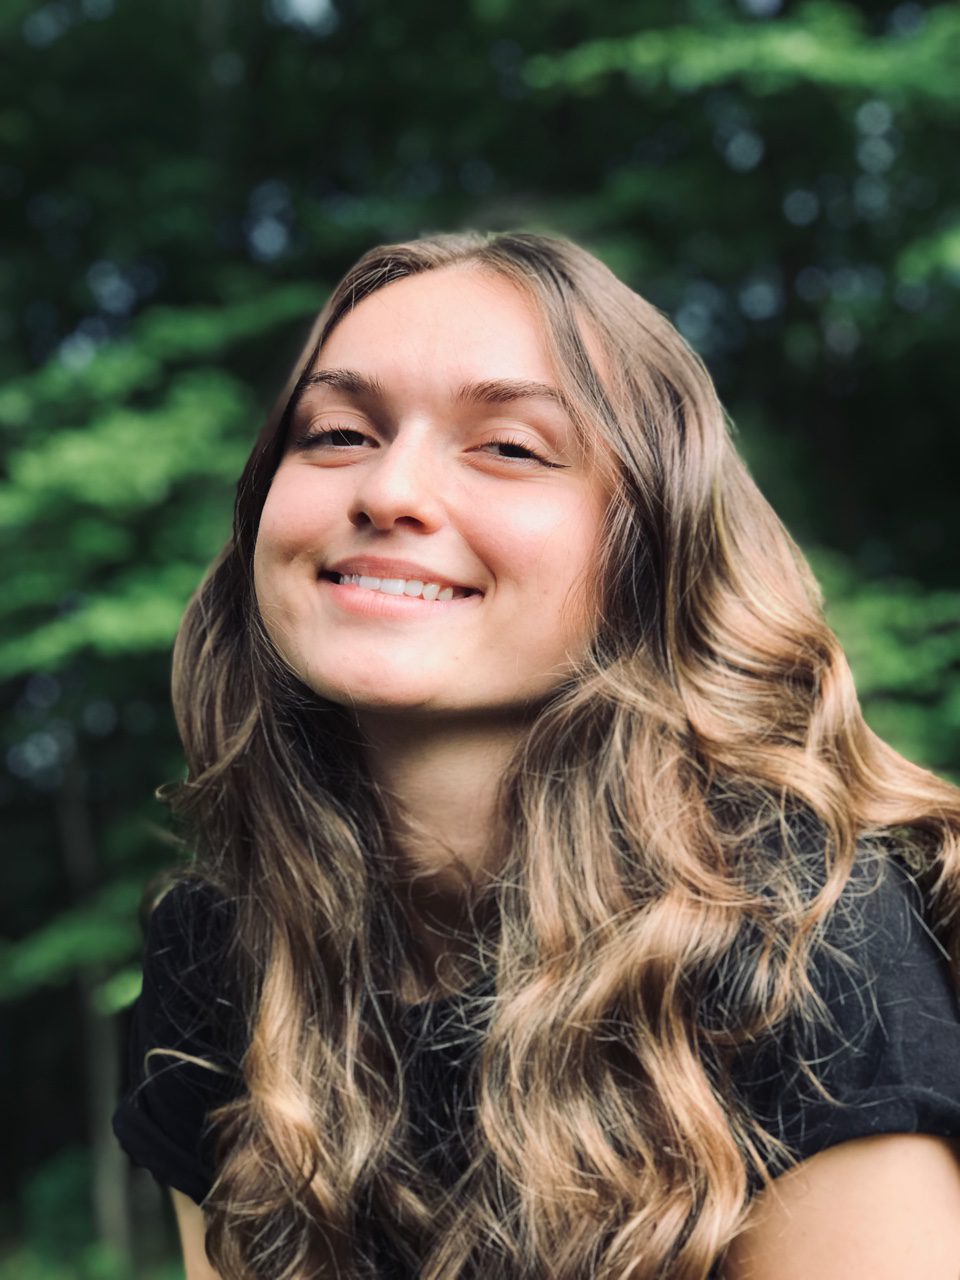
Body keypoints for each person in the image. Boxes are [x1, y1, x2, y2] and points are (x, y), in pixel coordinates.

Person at [112, 229, 960, 1280]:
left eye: (509, 446)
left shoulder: (807, 929)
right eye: (335, 433)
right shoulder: (218, 952)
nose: (389, 489)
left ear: (650, 552)